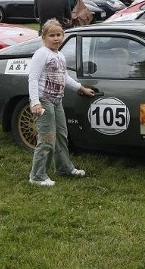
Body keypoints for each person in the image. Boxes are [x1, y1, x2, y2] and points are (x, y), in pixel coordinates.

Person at [28, 19, 96, 186]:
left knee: (61, 136)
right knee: (47, 138)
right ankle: (36, 176)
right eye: (52, 35)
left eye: (59, 35)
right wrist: (35, 102)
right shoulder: (42, 53)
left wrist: (81, 88)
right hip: (44, 101)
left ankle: (64, 167)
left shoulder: (59, 55)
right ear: (43, 37)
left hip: (57, 101)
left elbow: (64, 77)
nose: (56, 38)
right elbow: (33, 78)